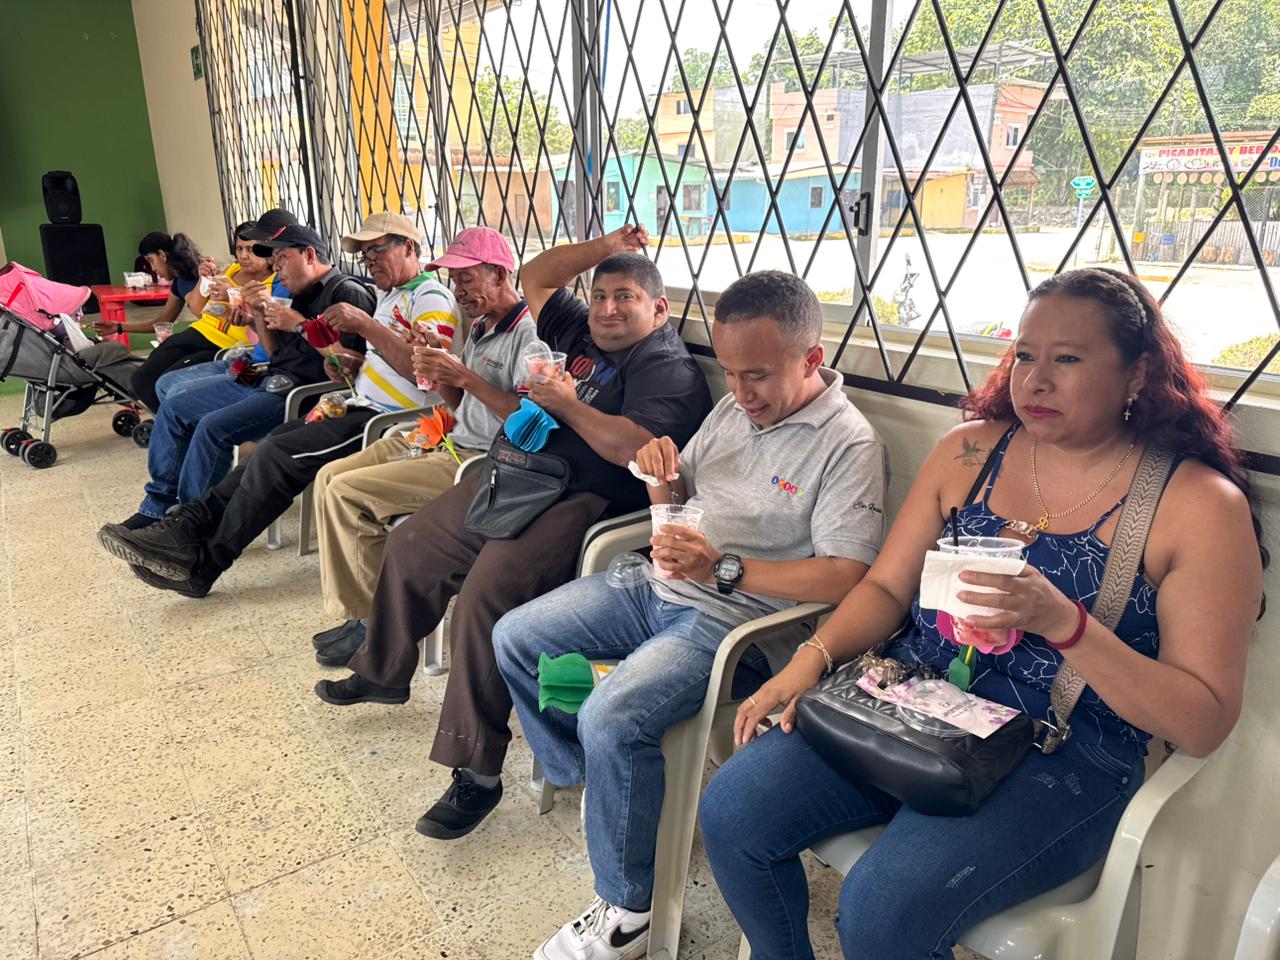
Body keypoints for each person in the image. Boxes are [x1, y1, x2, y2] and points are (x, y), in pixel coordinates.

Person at [698, 268, 1267, 960]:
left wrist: (1066, 626)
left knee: (881, 910)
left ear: (1137, 373)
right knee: (732, 810)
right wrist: (808, 661)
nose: (1036, 381)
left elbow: (1202, 721)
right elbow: (885, 588)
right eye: (1025, 355)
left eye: (1067, 359)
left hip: (1062, 750)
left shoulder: (1196, 505)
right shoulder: (970, 452)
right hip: (911, 703)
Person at [492, 270, 888, 960]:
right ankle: (597, 778)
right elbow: (681, 498)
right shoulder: (733, 410)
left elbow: (846, 576)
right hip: (658, 585)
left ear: (811, 359)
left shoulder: (848, 443)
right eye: (730, 373)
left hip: (739, 627)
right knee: (515, 636)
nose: (741, 392)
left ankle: (627, 911)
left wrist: (722, 569)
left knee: (612, 715)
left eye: (758, 375)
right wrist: (661, 477)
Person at [313, 223, 713, 842]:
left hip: (583, 504)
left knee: (485, 596)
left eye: (625, 298)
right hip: (515, 473)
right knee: (413, 543)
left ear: (658, 310)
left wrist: (567, 404)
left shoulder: (667, 368)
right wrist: (609, 246)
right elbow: (538, 276)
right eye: (600, 296)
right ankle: (383, 670)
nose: (607, 309)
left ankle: (476, 770)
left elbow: (632, 448)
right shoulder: (580, 330)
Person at [95, 212, 463, 597]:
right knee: (266, 450)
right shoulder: (390, 295)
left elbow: (427, 375)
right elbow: (374, 361)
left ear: (408, 247)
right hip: (354, 401)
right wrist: (350, 365)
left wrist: (362, 326)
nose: (369, 261)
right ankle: (186, 529)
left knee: (275, 455)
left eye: (377, 251)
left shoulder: (429, 297)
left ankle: (203, 562)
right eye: (364, 254)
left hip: (389, 420)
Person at [310, 226, 541, 664]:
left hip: (480, 460)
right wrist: (440, 368)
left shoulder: (528, 335)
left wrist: (464, 376)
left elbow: (527, 421)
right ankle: (359, 614)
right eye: (454, 280)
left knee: (347, 493)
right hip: (447, 436)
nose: (459, 291)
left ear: (498, 273)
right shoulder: (482, 326)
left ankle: (372, 627)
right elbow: (460, 401)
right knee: (328, 477)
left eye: (466, 279)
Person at [98, 224, 375, 531]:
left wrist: (299, 325)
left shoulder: (345, 293)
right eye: (273, 259)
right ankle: (157, 506)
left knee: (211, 427)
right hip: (262, 370)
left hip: (294, 390)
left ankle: (187, 523)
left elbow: (349, 369)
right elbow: (274, 353)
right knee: (174, 403)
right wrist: (257, 315)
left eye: (282, 258)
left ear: (309, 255)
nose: (276, 267)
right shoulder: (298, 291)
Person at [127, 212, 295, 412]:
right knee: (141, 378)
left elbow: (270, 324)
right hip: (200, 331)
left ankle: (177, 419)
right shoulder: (231, 270)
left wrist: (233, 295)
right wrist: (203, 279)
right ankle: (171, 420)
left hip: (227, 344)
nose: (243, 256)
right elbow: (198, 308)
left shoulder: (276, 282)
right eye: (239, 248)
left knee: (169, 384)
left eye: (251, 249)